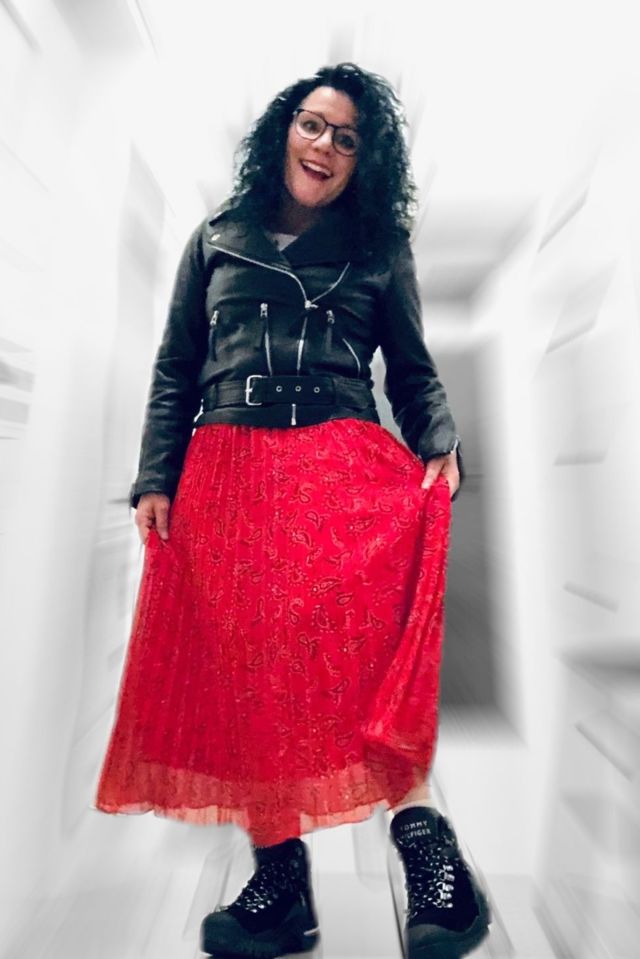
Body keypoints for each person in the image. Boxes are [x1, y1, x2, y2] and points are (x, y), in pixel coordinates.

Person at [93, 62, 491, 959]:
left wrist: (440, 440)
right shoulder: (216, 238)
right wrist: (156, 475)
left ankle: (432, 858)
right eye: (313, 124)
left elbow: (412, 369)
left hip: (338, 471)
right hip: (227, 476)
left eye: (347, 138)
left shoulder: (379, 249)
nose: (325, 145)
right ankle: (280, 887)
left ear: (363, 160)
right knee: (250, 681)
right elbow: (176, 366)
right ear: (284, 130)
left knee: (363, 660)